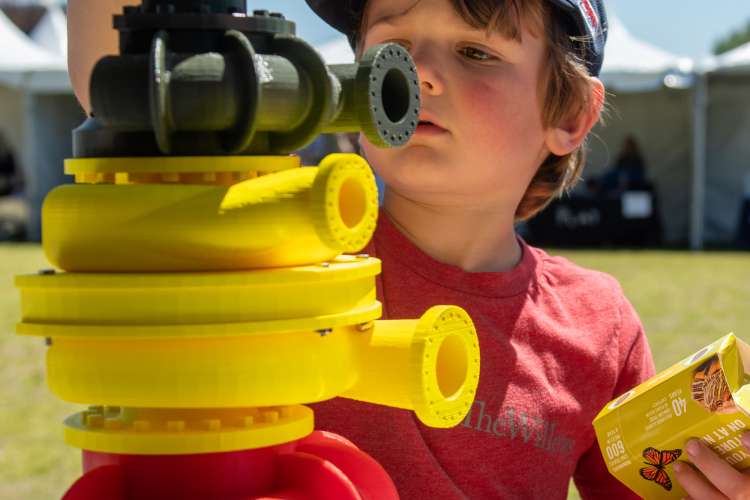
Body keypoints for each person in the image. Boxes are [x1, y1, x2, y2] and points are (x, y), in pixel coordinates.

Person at [67, 1, 750, 498]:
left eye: (476, 51)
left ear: (569, 116)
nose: (415, 74)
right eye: (390, 47)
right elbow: (125, 79)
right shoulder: (274, 245)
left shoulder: (599, 324)